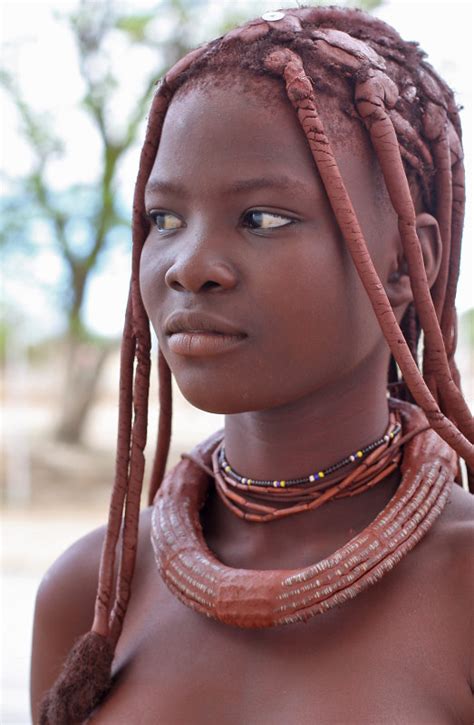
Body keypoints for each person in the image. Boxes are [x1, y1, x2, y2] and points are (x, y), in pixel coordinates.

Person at [32, 6, 474, 724]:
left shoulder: (465, 586)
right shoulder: (92, 596)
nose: (190, 266)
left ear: (407, 261)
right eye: (164, 219)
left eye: (262, 218)